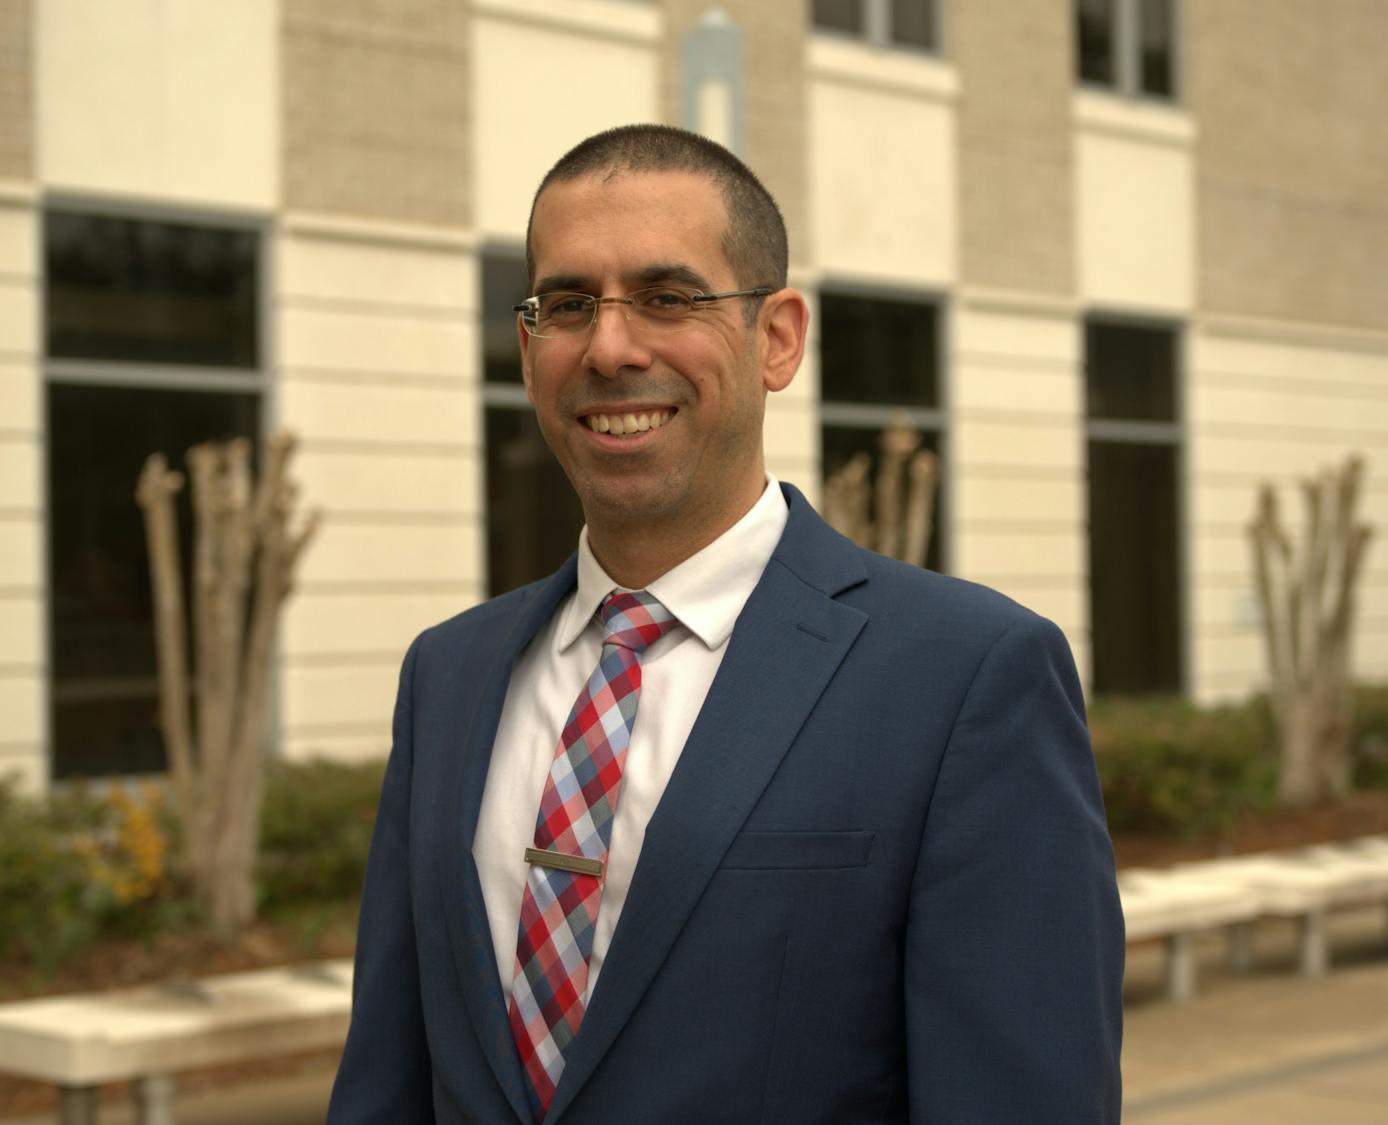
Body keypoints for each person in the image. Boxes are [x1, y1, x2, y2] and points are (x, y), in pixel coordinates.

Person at [327, 124, 1123, 1125]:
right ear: (530, 351)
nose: (611, 348)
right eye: (568, 305)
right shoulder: (448, 676)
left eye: (668, 298)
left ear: (779, 337)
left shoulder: (967, 679)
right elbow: (387, 1084)